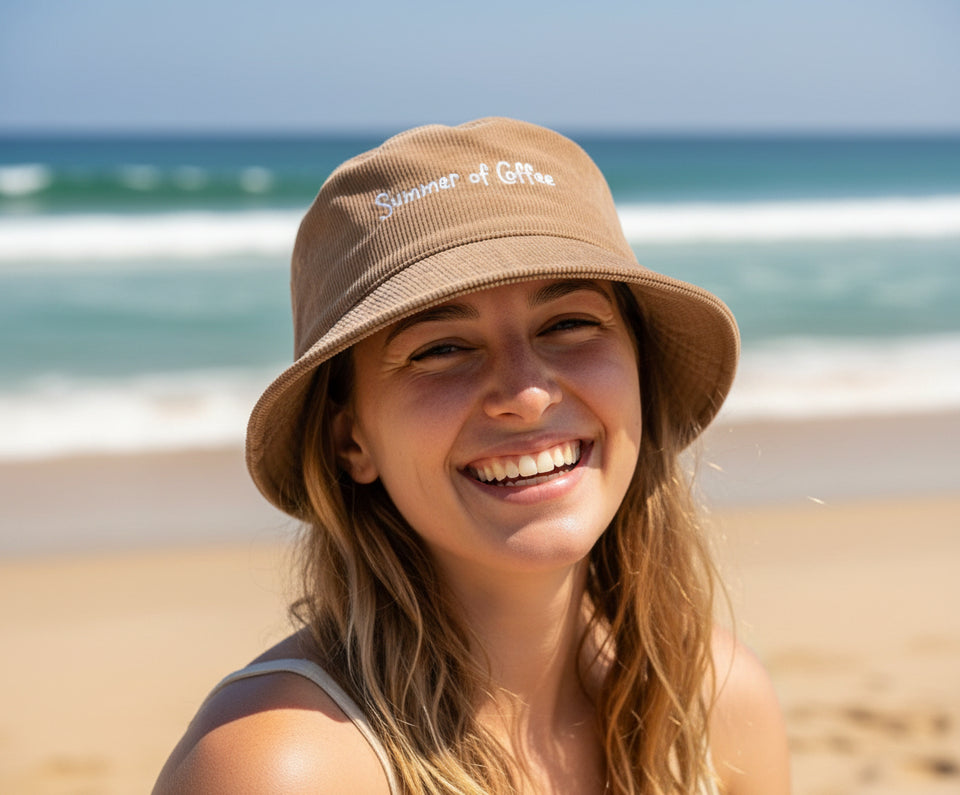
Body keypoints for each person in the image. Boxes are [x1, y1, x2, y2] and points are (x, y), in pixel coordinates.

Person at [153, 117, 790, 794]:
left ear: (639, 371)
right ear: (351, 440)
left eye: (569, 323)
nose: (526, 392)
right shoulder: (283, 766)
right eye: (441, 348)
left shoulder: (712, 704)